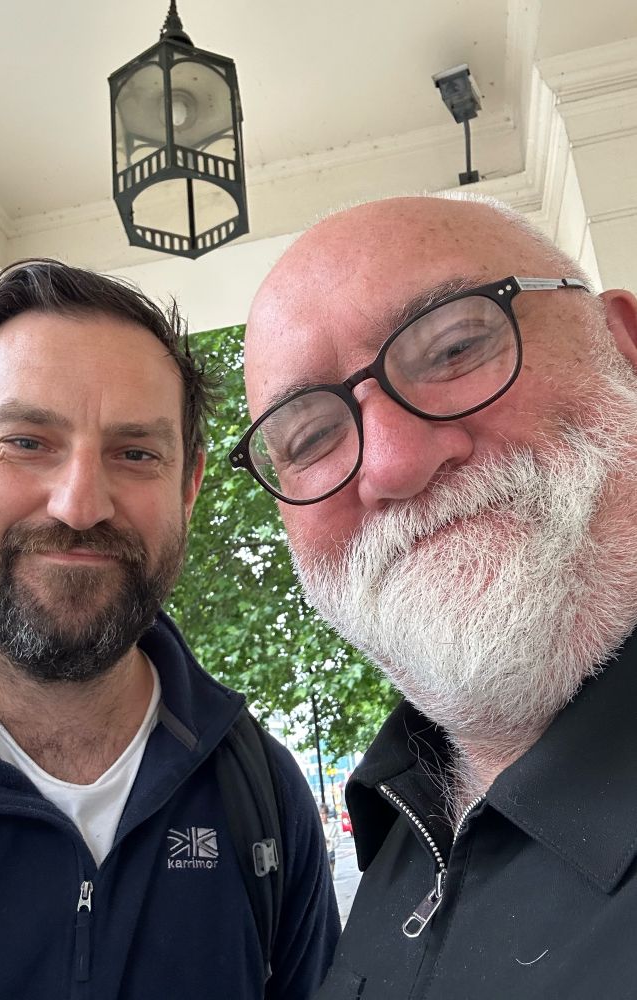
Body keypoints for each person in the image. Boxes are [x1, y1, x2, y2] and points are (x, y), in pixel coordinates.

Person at [0, 260, 339, 1000]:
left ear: (188, 487)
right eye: (28, 442)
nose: (79, 505)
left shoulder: (262, 798)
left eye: (135, 454)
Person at [235, 194, 637, 998]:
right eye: (309, 438)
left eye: (454, 347)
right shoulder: (396, 826)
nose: (391, 465)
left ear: (623, 347)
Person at [318, 802, 338, 875]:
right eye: (320, 814)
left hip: (330, 853)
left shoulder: (332, 826)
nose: (322, 816)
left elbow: (337, 842)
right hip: (320, 854)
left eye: (323, 813)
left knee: (329, 875)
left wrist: (328, 840)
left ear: (327, 814)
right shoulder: (317, 827)